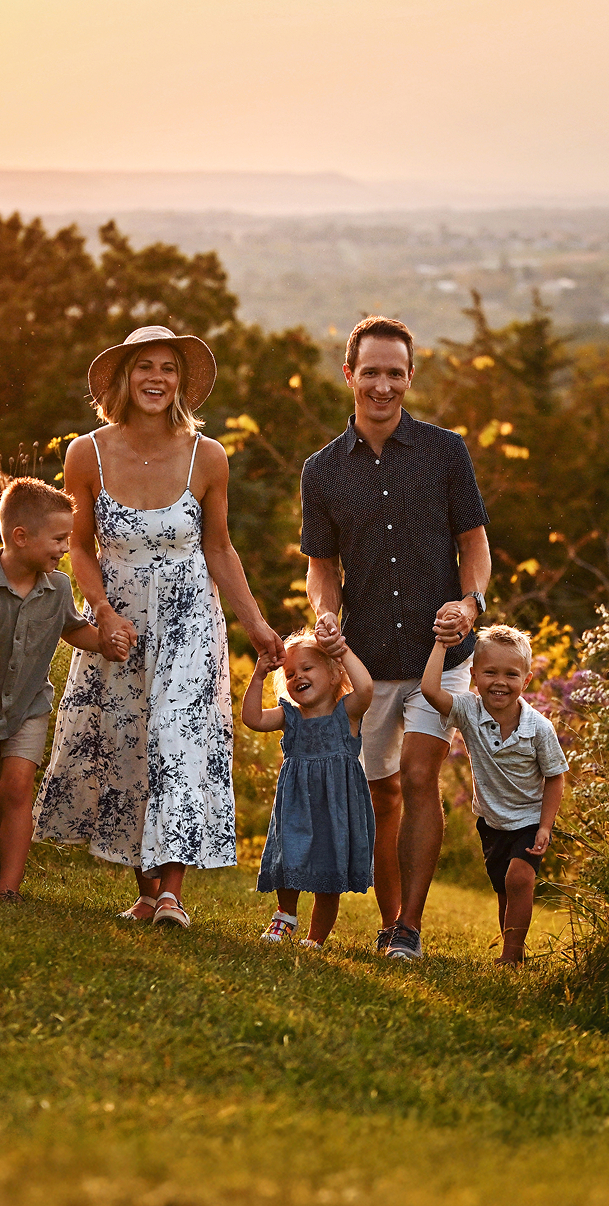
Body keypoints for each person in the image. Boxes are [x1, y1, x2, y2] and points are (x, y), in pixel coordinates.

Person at [36, 325, 284, 928]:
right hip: (117, 620)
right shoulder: (85, 453)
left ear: (181, 382)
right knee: (128, 745)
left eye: (168, 368)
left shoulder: (209, 456)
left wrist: (254, 623)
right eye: (144, 366)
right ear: (123, 378)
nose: (156, 378)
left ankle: (171, 893)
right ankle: (146, 891)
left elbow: (220, 550)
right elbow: (80, 547)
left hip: (188, 621)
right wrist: (102, 613)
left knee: (176, 741)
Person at [302, 315, 491, 962]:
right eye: (371, 372)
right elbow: (322, 569)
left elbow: (474, 545)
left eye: (396, 373)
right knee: (381, 792)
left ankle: (410, 926)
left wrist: (470, 604)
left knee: (419, 777)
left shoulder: (446, 453)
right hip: (368, 661)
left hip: (443, 655)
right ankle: (389, 925)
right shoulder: (321, 473)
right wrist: (323, 614)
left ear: (411, 377)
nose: (383, 386)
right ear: (350, 375)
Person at [0, 477, 120, 903]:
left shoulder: (56, 588)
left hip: (30, 709)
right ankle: (2, 866)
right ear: (21, 537)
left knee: (16, 788)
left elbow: (75, 631)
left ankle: (9, 888)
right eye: (58, 539)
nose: (64, 549)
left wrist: (106, 643)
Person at [419, 624, 567, 966]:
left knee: (519, 878)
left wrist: (545, 826)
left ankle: (510, 957)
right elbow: (429, 690)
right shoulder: (469, 711)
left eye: (511, 674)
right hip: (492, 822)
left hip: (529, 819)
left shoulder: (539, 729)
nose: (500, 682)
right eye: (490, 672)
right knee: (504, 889)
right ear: (474, 675)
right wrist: (442, 644)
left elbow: (556, 778)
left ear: (526, 680)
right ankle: (514, 950)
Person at [241, 630, 376, 948]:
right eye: (289, 673)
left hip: (336, 809)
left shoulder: (348, 713)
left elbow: (367, 687)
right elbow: (253, 718)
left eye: (307, 668)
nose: (297, 676)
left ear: (333, 674)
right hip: (297, 806)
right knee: (289, 857)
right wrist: (260, 675)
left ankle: (316, 938)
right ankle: (284, 916)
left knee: (329, 870)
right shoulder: (291, 717)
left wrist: (341, 650)